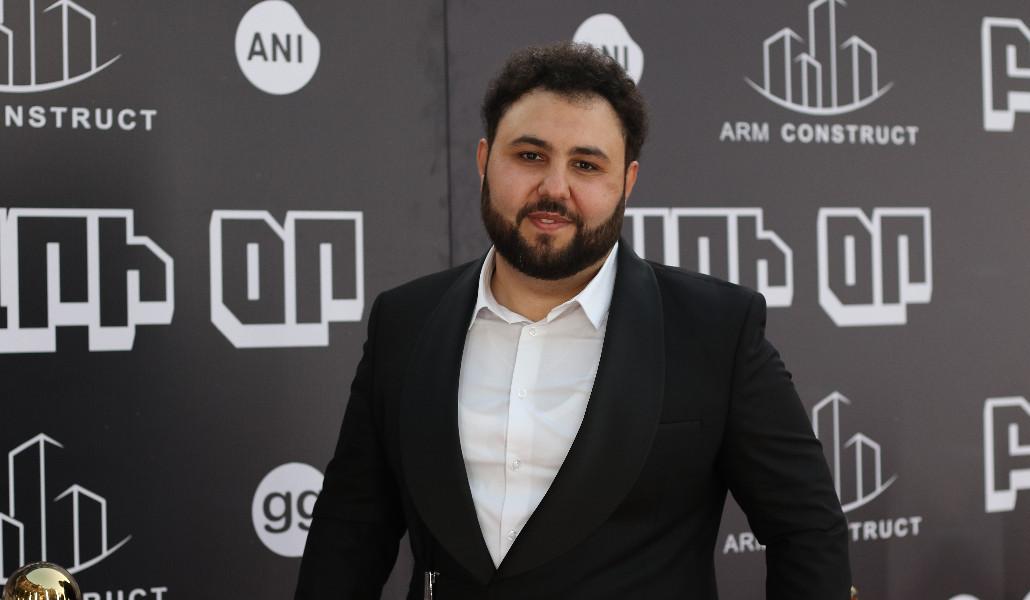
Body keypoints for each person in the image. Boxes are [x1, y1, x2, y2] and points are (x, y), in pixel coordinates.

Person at [296, 42, 850, 599]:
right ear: (484, 161)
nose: (554, 189)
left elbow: (806, 530)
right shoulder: (405, 321)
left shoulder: (716, 331)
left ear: (627, 181)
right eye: (529, 156)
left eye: (586, 165)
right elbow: (350, 531)